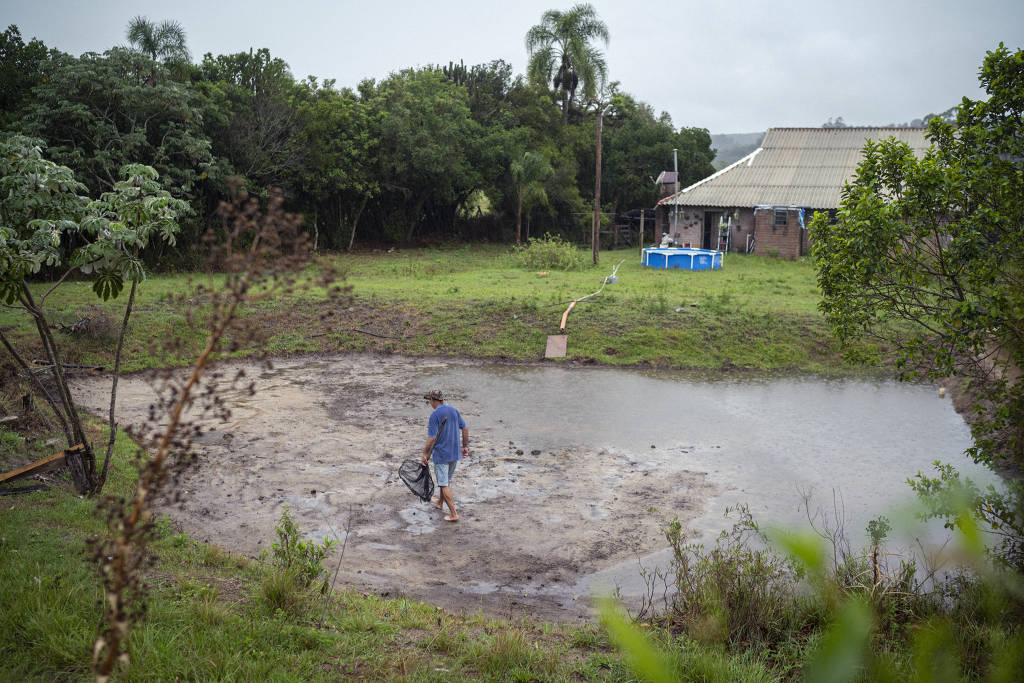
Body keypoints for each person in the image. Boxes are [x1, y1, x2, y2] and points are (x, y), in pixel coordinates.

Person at [420, 390, 468, 522]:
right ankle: (440, 503)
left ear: (434, 401)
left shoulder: (435, 415)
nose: (429, 403)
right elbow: (465, 428)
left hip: (442, 455)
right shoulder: (453, 410)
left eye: (429, 400)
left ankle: (454, 514)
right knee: (445, 481)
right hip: (454, 453)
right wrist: (465, 446)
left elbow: (431, 438)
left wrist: (424, 454)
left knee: (443, 484)